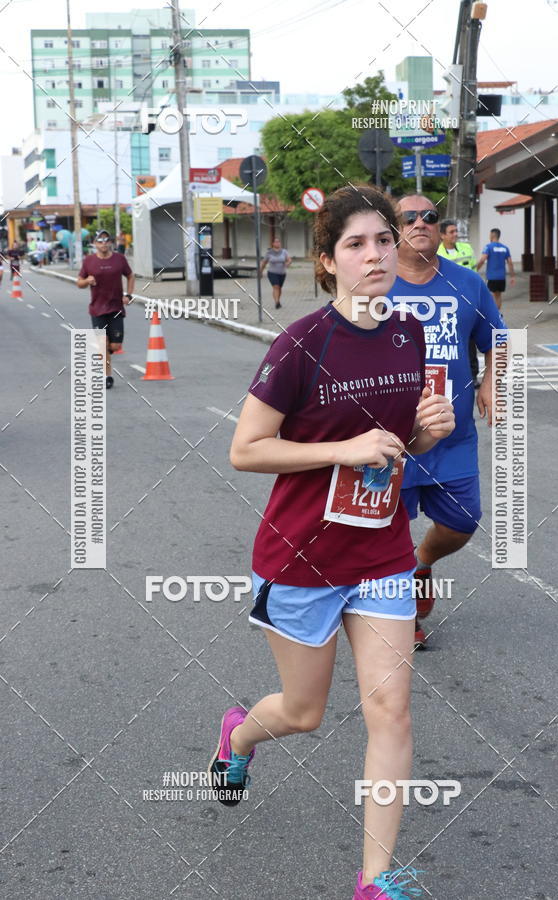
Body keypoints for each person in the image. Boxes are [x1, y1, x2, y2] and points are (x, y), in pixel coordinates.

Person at [208, 185, 455, 900]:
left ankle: (376, 881)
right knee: (304, 712)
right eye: (356, 244)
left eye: (384, 239)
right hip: (302, 557)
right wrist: (341, 449)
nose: (375, 253)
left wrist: (422, 436)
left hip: (381, 553)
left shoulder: (409, 333)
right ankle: (238, 736)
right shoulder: (301, 344)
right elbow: (246, 450)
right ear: (327, 262)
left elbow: (391, 447)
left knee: (392, 711)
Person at [387, 194, 505, 649]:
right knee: (387, 532)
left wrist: (491, 381)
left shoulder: (468, 284)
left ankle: (423, 559)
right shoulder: (375, 283)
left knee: (464, 521)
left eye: (430, 217)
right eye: (409, 217)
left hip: (452, 435)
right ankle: (403, 617)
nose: (421, 223)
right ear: (394, 229)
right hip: (392, 438)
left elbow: (497, 338)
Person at [76, 229, 135, 389]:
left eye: (106, 240)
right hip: (97, 309)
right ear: (95, 244)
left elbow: (130, 276)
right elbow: (79, 283)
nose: (103, 243)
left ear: (110, 243)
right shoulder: (89, 261)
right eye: (99, 241)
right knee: (103, 344)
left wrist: (129, 295)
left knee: (114, 346)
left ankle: (106, 354)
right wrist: (87, 280)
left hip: (116, 308)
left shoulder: (119, 259)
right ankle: (107, 376)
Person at [438, 219, 479, 385]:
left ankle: (473, 375)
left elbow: (475, 275)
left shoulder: (466, 249)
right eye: (452, 232)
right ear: (442, 235)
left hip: (468, 302)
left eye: (456, 231)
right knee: (449, 340)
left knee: (470, 341)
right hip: (447, 304)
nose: (455, 234)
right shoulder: (437, 254)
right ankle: (451, 374)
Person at [476, 227, 515, 309]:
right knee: (498, 295)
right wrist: (512, 276)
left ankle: (492, 315)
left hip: (491, 277)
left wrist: (475, 269)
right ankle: (497, 314)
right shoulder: (505, 248)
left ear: (492, 235)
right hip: (501, 277)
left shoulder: (488, 247)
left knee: (490, 295)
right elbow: (510, 263)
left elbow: (483, 259)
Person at [259, 236, 291, 309]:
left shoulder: (284, 251)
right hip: (272, 273)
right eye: (276, 242)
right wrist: (260, 272)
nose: (277, 243)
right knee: (275, 286)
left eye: (278, 242)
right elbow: (264, 263)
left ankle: (278, 300)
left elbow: (289, 259)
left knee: (279, 288)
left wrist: (288, 263)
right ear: (273, 243)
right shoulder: (269, 253)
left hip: (282, 273)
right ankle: (276, 302)